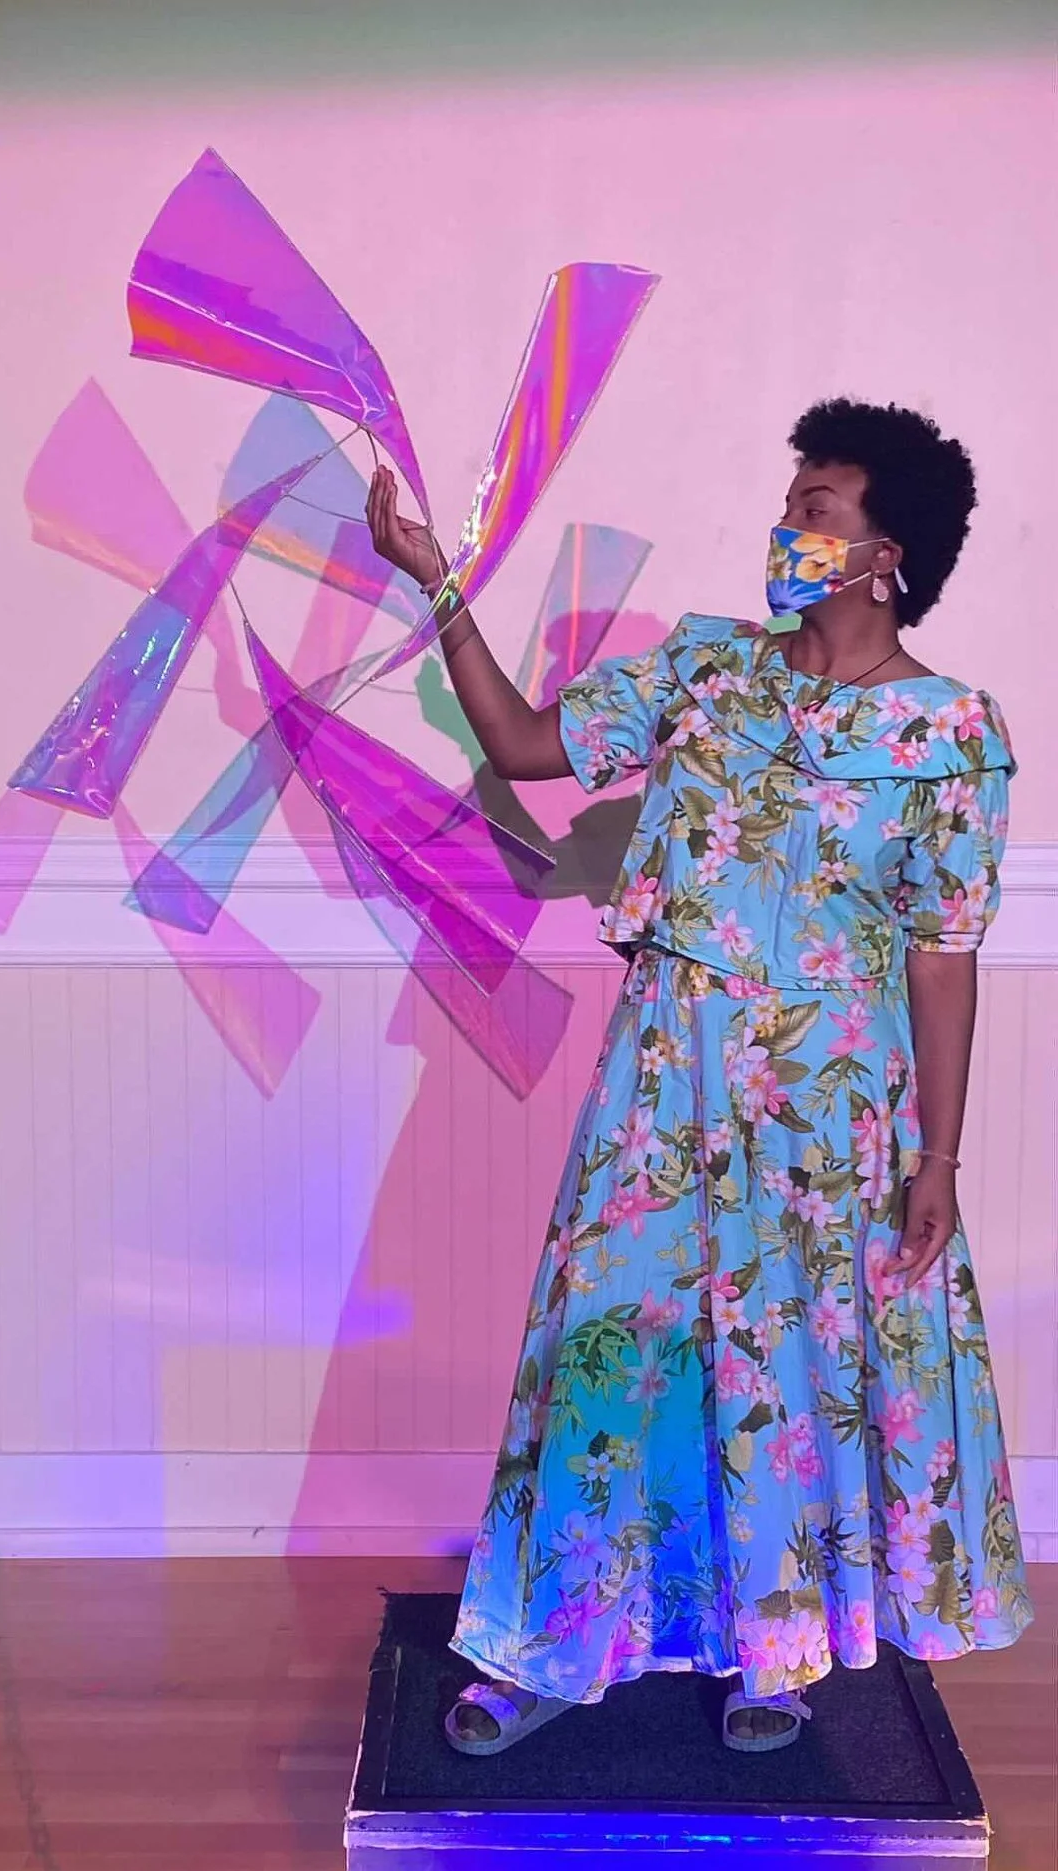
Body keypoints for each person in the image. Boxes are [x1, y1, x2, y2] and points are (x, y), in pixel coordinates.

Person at [365, 398, 1034, 1756]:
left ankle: (769, 1649)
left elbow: (943, 958)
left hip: (830, 1108)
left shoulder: (952, 733)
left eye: (817, 509)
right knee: (614, 1352)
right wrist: (435, 578)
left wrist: (938, 1164)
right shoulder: (707, 670)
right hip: (667, 1080)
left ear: (884, 549)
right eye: (790, 501)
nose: (786, 528)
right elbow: (522, 746)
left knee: (786, 1376)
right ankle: (556, 1641)